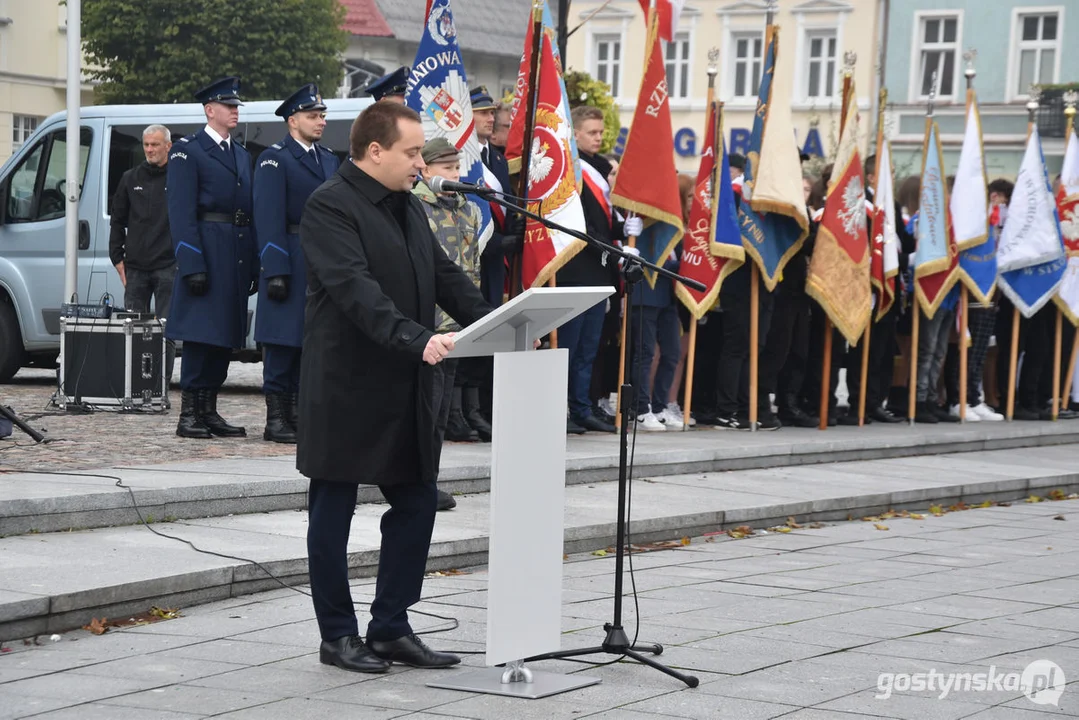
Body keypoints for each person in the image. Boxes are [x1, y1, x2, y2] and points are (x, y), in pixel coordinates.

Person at [298, 102, 490, 674]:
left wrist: (497, 322)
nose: (419, 163)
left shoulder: (408, 206)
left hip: (406, 382)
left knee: (416, 504)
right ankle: (337, 635)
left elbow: (444, 276)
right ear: (375, 150)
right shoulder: (329, 205)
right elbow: (354, 289)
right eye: (411, 152)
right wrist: (414, 337)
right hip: (347, 385)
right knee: (331, 512)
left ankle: (390, 626)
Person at [166, 77, 257, 439]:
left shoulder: (240, 154)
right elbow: (180, 213)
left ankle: (209, 409)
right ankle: (189, 412)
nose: (235, 111)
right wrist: (192, 263)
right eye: (229, 106)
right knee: (200, 336)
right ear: (210, 110)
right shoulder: (189, 150)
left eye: (237, 106)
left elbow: (247, 211)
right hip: (206, 248)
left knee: (224, 336)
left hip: (233, 252)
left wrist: (251, 262)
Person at [253, 84, 340, 444]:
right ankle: (276, 418)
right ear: (293, 121)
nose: (320, 121)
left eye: (322, 116)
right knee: (281, 342)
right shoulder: (275, 158)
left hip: (320, 260)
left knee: (310, 342)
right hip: (289, 254)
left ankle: (299, 414)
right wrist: (275, 269)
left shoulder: (330, 159)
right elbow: (268, 216)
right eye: (312, 116)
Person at [413, 137, 484, 512]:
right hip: (426, 326)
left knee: (440, 414)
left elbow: (472, 268)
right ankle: (418, 480)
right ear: (425, 170)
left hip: (458, 325)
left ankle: (429, 479)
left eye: (457, 167)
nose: (454, 174)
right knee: (426, 408)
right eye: (445, 168)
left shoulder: (468, 210)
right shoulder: (414, 207)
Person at [560, 106, 638, 434]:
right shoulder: (571, 169)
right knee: (568, 345)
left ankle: (581, 407)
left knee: (588, 347)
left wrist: (624, 230)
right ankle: (561, 406)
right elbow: (580, 225)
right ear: (575, 133)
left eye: (600, 132)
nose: (598, 137)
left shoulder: (601, 167)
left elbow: (603, 223)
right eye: (592, 132)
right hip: (575, 268)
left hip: (599, 271)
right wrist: (614, 248)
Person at [109, 124, 176, 382]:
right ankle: (133, 385)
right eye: (146, 145)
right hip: (135, 269)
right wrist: (117, 258)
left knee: (166, 332)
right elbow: (118, 221)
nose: (150, 149)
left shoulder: (178, 178)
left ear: (167, 146)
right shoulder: (130, 178)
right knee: (133, 331)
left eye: (155, 144)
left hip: (168, 266)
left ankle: (160, 387)